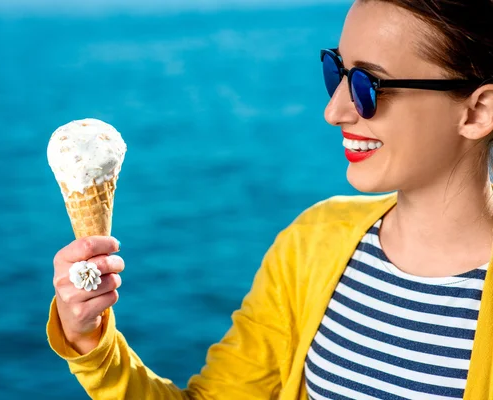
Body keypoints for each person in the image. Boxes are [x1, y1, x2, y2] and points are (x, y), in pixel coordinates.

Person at [46, 0, 493, 398]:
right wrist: (91, 340)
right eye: (336, 72)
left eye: (368, 84)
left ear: (477, 111)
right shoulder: (316, 242)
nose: (334, 111)